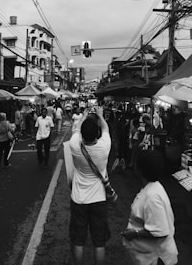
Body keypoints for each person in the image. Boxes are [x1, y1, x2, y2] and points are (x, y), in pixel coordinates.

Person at [69, 106, 111, 265]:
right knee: (99, 242)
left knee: (78, 240)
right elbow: (106, 128)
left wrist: (83, 117)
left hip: (79, 199)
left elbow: (77, 130)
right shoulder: (104, 146)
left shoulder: (75, 145)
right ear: (97, 134)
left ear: (82, 135)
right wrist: (100, 115)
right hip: (98, 199)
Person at [121, 150, 178, 265]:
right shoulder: (152, 188)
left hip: (157, 259)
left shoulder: (152, 197)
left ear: (140, 169)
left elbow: (160, 231)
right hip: (150, 256)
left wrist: (135, 233)